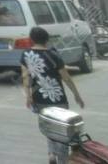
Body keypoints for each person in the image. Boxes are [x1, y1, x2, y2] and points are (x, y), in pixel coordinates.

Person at [21, 26, 85, 164]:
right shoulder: (53, 55)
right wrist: (76, 95)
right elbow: (66, 78)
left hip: (39, 98)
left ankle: (51, 154)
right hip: (57, 98)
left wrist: (28, 96)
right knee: (61, 129)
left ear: (32, 39)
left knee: (49, 126)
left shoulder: (26, 54)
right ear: (47, 39)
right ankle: (62, 160)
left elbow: (25, 77)